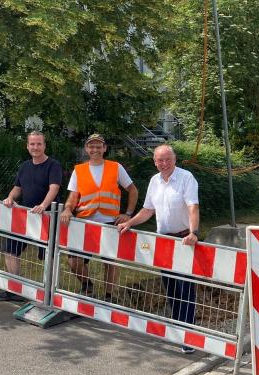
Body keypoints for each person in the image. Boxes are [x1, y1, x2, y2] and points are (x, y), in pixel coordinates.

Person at [117, 144, 200, 353]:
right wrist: (130, 223)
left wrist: (194, 232)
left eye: (168, 159)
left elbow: (193, 206)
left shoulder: (186, 178)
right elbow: (147, 210)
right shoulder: (154, 181)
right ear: (154, 161)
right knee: (170, 285)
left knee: (185, 287)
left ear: (175, 159)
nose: (164, 164)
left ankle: (188, 334)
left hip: (183, 240)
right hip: (163, 240)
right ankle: (178, 326)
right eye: (160, 160)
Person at [60, 133, 139, 301]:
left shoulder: (115, 167)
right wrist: (67, 209)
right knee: (74, 261)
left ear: (104, 148)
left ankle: (109, 295)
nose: (95, 149)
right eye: (91, 146)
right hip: (84, 222)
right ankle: (87, 285)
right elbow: (73, 196)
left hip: (110, 221)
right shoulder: (79, 170)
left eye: (98, 146)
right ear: (86, 149)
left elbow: (133, 190)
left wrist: (128, 214)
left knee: (110, 261)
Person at [0, 131, 62, 302]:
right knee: (10, 250)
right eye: (32, 144)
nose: (35, 147)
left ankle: (49, 294)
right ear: (27, 146)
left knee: (49, 256)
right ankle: (15, 289)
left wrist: (43, 206)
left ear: (44, 146)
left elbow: (54, 188)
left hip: (47, 217)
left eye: (39, 144)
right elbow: (17, 188)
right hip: (25, 216)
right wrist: (10, 197)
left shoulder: (53, 165)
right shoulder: (24, 166)